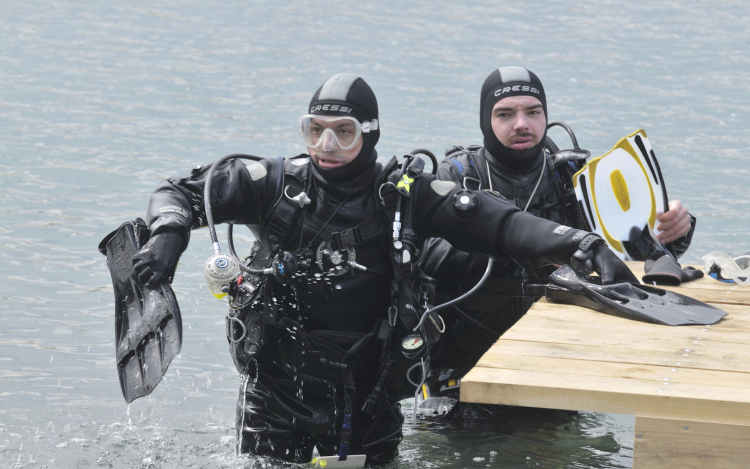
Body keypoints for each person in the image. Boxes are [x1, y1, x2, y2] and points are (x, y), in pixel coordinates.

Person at [130, 73, 637, 465]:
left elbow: (498, 223)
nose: (326, 147)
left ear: (370, 134)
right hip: (275, 395)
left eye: (343, 133)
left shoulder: (405, 197)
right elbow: (180, 191)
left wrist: (577, 243)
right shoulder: (272, 186)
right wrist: (169, 235)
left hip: (369, 401)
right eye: (315, 131)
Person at [419, 66, 696, 417]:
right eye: (505, 114)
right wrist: (524, 246)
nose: (521, 124)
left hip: (555, 356)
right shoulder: (458, 177)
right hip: (464, 361)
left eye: (533, 112)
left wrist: (675, 232)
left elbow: (632, 251)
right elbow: (426, 259)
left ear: (546, 118)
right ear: (484, 121)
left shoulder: (572, 180)